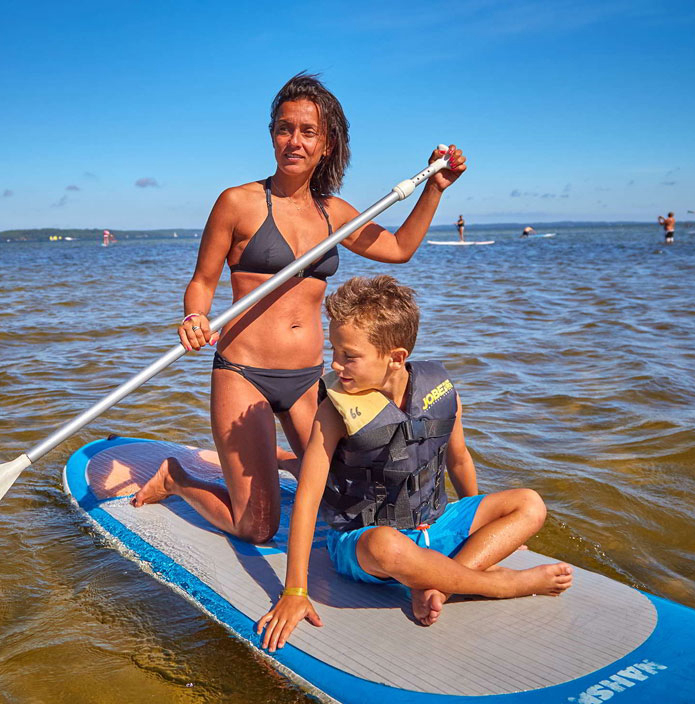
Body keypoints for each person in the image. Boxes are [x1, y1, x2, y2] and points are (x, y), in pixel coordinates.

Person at [131, 72, 467, 544]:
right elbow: (202, 281)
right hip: (243, 373)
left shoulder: (335, 213)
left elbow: (398, 248)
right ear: (272, 135)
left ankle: (273, 463)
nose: (294, 140)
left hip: (309, 378)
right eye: (284, 128)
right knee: (257, 527)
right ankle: (178, 478)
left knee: (351, 489)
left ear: (326, 144)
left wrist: (435, 188)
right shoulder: (237, 203)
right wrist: (194, 318)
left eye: (308, 132)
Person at [255, 276, 572, 649]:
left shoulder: (440, 391)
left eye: (349, 355)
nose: (336, 365)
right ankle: (501, 584)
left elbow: (459, 459)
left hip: (433, 524)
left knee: (529, 504)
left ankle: (439, 587)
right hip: (366, 541)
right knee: (386, 547)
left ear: (396, 358)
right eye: (335, 351)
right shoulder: (334, 412)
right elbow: (308, 499)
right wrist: (294, 590)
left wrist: (483, 527)